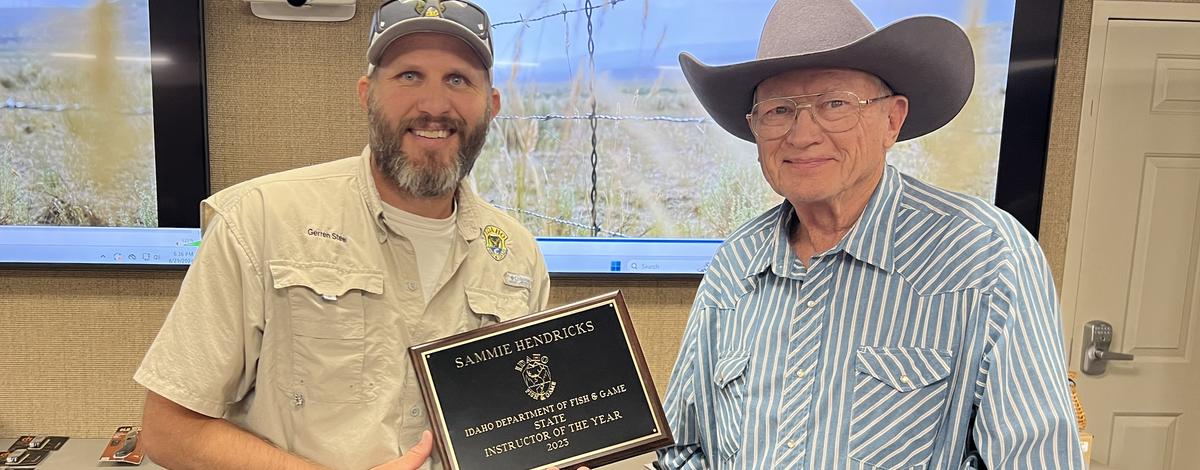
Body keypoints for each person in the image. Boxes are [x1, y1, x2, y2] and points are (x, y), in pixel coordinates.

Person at [656, 0, 1085, 468]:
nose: (802, 135)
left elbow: (1036, 459)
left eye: (834, 104)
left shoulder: (984, 255)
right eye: (779, 110)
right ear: (755, 129)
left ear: (892, 120)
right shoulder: (735, 264)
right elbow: (684, 449)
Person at [134, 1, 550, 469]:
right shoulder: (261, 219)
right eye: (409, 76)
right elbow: (169, 431)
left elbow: (521, 426)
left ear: (490, 105)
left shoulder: (517, 254)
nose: (434, 105)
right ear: (366, 93)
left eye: (458, 79)